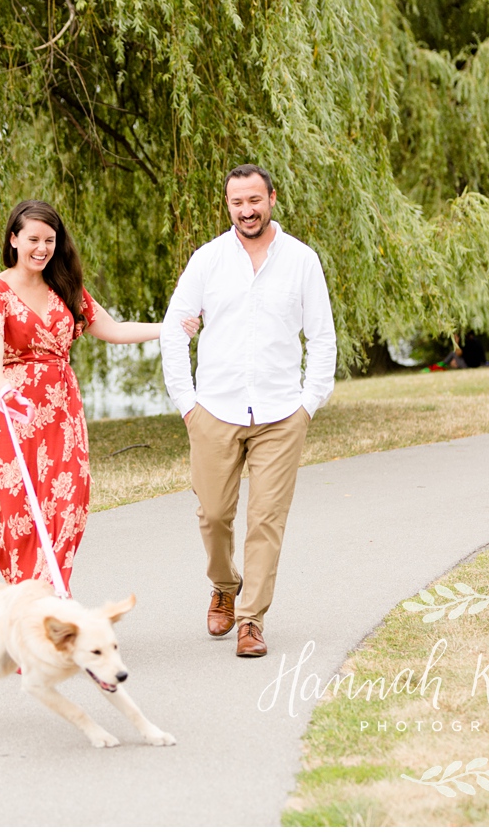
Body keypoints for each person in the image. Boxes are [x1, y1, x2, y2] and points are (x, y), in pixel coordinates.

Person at [0, 200, 192, 591]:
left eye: (49, 240)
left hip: (61, 412)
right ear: (14, 239)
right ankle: (25, 598)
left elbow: (115, 329)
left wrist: (171, 327)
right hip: (14, 408)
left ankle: (52, 591)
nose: (41, 248)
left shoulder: (66, 287)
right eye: (33, 238)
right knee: (19, 508)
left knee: (67, 504)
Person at [159, 164, 336, 658]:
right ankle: (223, 584)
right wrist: (186, 403)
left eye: (255, 200)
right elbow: (175, 330)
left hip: (282, 413)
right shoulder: (207, 260)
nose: (247, 210)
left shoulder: (302, 260)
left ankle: (251, 620)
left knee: (266, 519)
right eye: (237, 202)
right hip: (213, 408)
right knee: (213, 514)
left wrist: (308, 404)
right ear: (227, 205)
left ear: (272, 199)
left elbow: (322, 338)